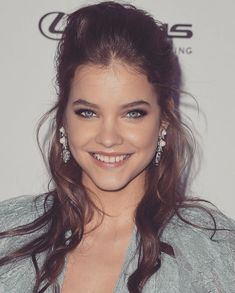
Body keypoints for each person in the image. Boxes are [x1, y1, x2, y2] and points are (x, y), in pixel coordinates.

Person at [0, 1, 234, 292]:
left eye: (133, 113)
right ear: (64, 117)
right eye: (88, 112)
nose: (108, 138)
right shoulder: (8, 235)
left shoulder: (214, 251)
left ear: (163, 119)